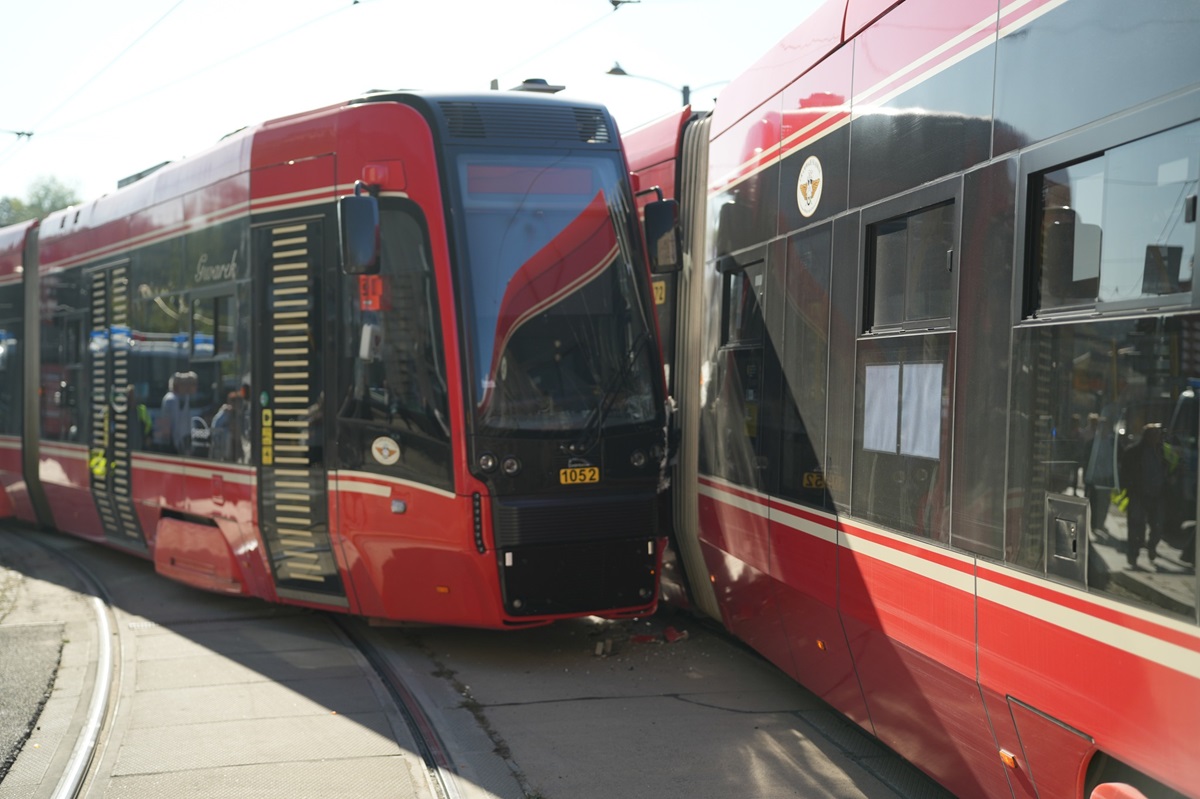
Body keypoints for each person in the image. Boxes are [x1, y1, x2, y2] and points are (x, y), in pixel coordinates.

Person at [1119, 422, 1177, 569]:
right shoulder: (1134, 452)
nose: (1157, 438)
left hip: (1158, 495)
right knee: (1136, 527)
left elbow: (1172, 468)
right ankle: (1133, 554)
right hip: (1139, 494)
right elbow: (1124, 471)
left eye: (1158, 435)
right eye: (1154, 435)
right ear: (1147, 436)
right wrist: (1128, 487)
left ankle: (1152, 546)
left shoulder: (1163, 452)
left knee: (1157, 526)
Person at [153, 371, 197, 455]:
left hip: (182, 441)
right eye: (183, 384)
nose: (186, 387)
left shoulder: (183, 398)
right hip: (174, 444)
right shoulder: (171, 400)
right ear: (176, 386)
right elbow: (175, 425)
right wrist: (179, 447)